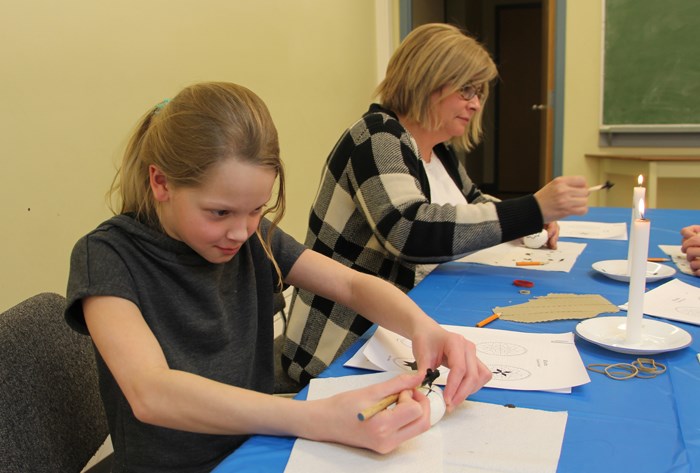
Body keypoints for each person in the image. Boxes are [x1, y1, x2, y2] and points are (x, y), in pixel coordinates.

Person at [64, 82, 491, 472]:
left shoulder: (252, 238)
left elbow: (349, 284)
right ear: (160, 182)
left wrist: (425, 328)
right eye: (219, 212)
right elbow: (151, 393)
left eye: (256, 210)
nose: (240, 230)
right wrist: (316, 419)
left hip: (253, 448)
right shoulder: (105, 254)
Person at [282, 23, 589, 386]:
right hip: (343, 345)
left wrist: (531, 222)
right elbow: (409, 232)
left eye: (479, 93)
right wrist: (531, 209)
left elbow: (472, 202)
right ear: (427, 79)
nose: (476, 104)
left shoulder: (437, 149)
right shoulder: (377, 137)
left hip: (399, 331)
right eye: (466, 90)